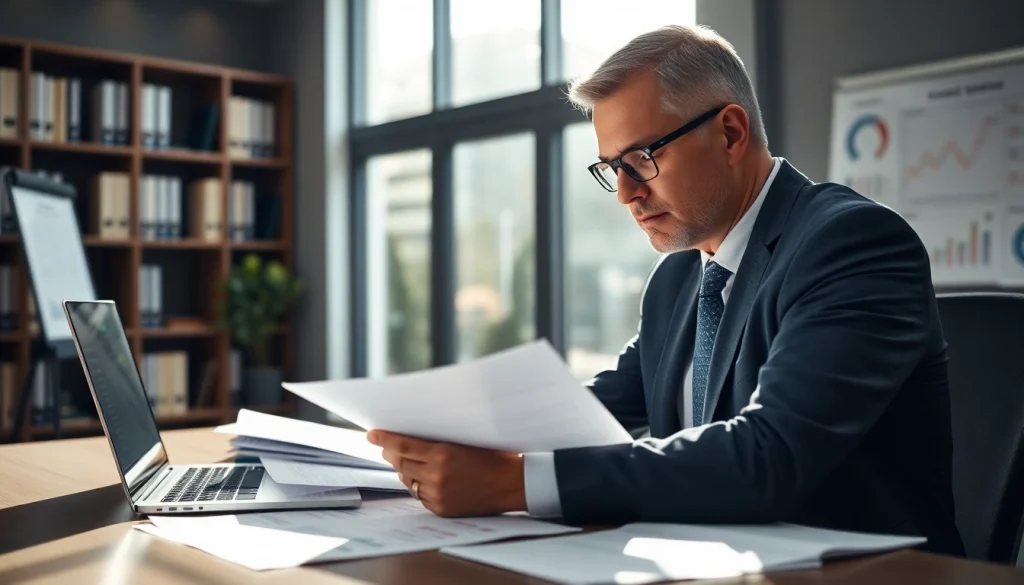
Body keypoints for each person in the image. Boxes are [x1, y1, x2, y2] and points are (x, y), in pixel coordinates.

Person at [366, 24, 966, 556]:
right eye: (610, 168)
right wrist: (446, 433)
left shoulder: (853, 243)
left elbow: (771, 455)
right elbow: (592, 414)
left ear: (730, 133)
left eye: (642, 158)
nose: (626, 194)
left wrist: (510, 482)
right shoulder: (680, 276)